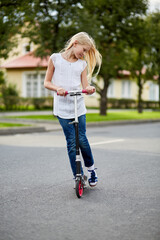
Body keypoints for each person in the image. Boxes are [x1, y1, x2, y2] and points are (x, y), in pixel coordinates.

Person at [44, 32, 102, 187]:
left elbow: (85, 85)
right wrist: (57, 88)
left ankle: (91, 170)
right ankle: (78, 175)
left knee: (81, 140)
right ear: (75, 43)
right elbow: (47, 82)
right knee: (71, 143)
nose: (83, 54)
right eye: (83, 50)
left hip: (78, 107)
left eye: (86, 52)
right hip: (62, 109)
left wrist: (89, 88)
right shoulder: (55, 59)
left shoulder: (81, 64)